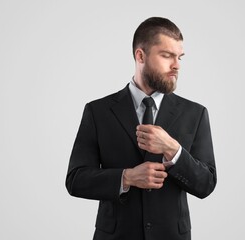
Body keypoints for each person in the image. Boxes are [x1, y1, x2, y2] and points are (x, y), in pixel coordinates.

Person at [66, 16, 217, 240]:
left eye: (179, 57)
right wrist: (126, 177)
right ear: (140, 55)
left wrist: (173, 150)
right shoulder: (98, 111)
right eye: (167, 56)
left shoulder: (195, 113)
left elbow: (206, 184)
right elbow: (76, 180)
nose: (176, 65)